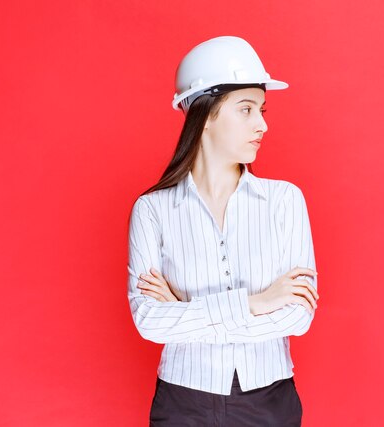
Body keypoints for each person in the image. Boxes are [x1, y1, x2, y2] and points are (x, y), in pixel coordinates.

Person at [126, 35, 320, 427]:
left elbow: (298, 317)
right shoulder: (152, 210)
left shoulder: (285, 201)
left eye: (262, 110)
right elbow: (149, 321)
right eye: (246, 109)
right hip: (182, 403)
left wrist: (183, 310)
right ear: (207, 112)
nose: (262, 124)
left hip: (270, 402)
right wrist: (258, 301)